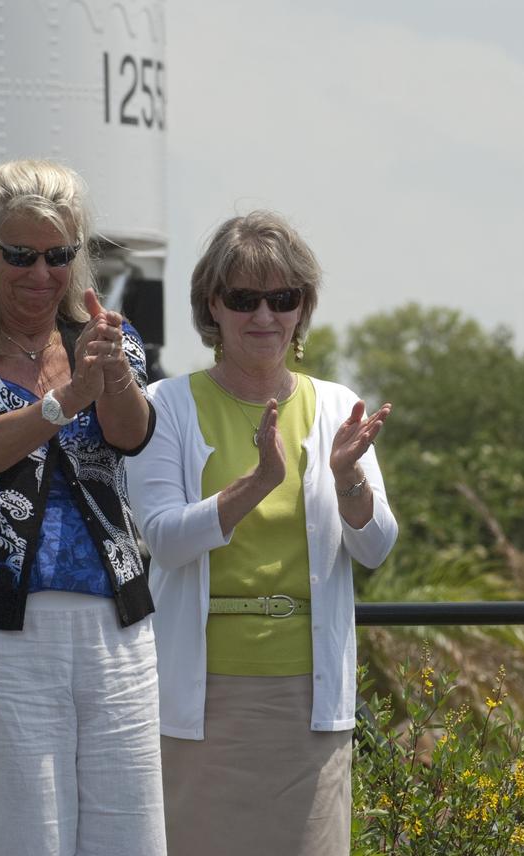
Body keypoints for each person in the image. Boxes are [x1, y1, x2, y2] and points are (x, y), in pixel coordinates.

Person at [0, 159, 166, 855]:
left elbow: (131, 433)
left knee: (129, 837)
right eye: (21, 255)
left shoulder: (107, 338)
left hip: (116, 631)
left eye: (59, 256)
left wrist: (109, 375)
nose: (40, 273)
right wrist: (60, 403)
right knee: (15, 838)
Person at [126, 210, 397, 856]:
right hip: (200, 701)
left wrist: (347, 479)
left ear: (303, 310)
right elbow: (162, 539)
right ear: (211, 307)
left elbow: (376, 545)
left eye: (283, 298)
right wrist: (257, 481)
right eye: (244, 299)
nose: (265, 316)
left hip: (309, 703)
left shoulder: (336, 404)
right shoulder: (166, 404)